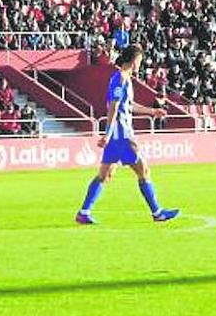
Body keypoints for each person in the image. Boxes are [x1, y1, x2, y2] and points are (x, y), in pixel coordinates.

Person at [75, 46, 180, 225]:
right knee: (143, 170)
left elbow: (128, 105)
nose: (140, 64)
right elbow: (114, 107)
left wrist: (152, 111)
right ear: (133, 60)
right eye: (140, 61)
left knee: (105, 174)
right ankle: (157, 213)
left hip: (116, 135)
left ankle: (84, 212)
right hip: (122, 135)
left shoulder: (122, 78)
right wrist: (107, 134)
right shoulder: (121, 78)